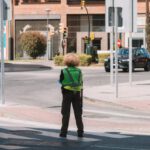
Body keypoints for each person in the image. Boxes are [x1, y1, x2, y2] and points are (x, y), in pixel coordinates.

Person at [59, 53, 84, 138]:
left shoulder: (64, 71)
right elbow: (81, 81)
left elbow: (60, 81)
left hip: (66, 92)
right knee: (78, 113)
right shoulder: (79, 71)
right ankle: (80, 131)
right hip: (77, 93)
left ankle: (63, 132)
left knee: (65, 113)